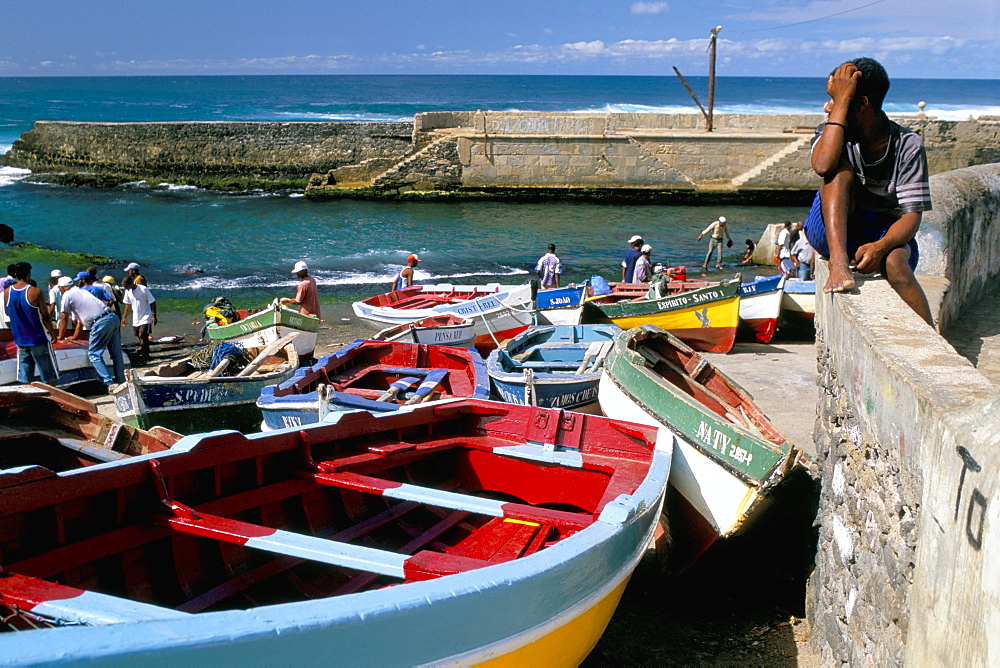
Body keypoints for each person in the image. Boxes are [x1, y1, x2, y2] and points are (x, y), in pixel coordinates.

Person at [804, 57, 933, 325]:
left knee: (896, 262)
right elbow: (823, 165)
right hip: (832, 229)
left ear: (861, 104)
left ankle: (933, 337)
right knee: (838, 170)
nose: (828, 107)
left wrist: (881, 246)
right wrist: (840, 109)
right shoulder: (832, 134)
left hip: (879, 231)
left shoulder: (907, 144)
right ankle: (839, 264)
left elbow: (911, 216)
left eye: (836, 99)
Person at [56, 275, 125, 390]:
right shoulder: (81, 292)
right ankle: (121, 380)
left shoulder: (67, 295)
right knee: (116, 353)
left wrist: (60, 337)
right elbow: (80, 320)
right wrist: (75, 336)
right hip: (112, 317)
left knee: (94, 354)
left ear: (62, 287)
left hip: (100, 322)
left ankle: (108, 382)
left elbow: (64, 317)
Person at [3, 262, 58, 384]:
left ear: (15, 274)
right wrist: (52, 333)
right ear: (29, 274)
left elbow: (8, 312)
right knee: (47, 373)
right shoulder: (35, 292)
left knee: (25, 373)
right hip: (37, 337)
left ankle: (27, 397)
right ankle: (50, 396)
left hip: (19, 337)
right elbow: (45, 316)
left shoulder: (7, 292)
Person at [121, 275, 157, 363]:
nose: (125, 288)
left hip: (146, 316)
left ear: (130, 283)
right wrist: (124, 317)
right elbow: (127, 305)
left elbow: (152, 302)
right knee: (138, 334)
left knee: (143, 334)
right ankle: (145, 350)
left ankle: (146, 355)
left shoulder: (143, 289)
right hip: (136, 317)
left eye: (125, 286)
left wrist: (154, 315)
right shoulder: (128, 291)